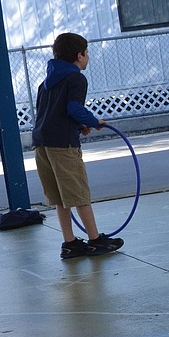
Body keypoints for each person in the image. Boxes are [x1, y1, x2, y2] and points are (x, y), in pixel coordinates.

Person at [31, 32, 124, 260]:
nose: (87, 57)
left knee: (61, 198)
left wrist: (78, 125)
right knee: (78, 193)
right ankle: (95, 241)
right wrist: (94, 121)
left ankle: (70, 243)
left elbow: (51, 113)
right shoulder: (76, 78)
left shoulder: (45, 84)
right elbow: (73, 108)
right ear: (79, 55)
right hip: (63, 145)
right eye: (87, 53)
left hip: (41, 143)